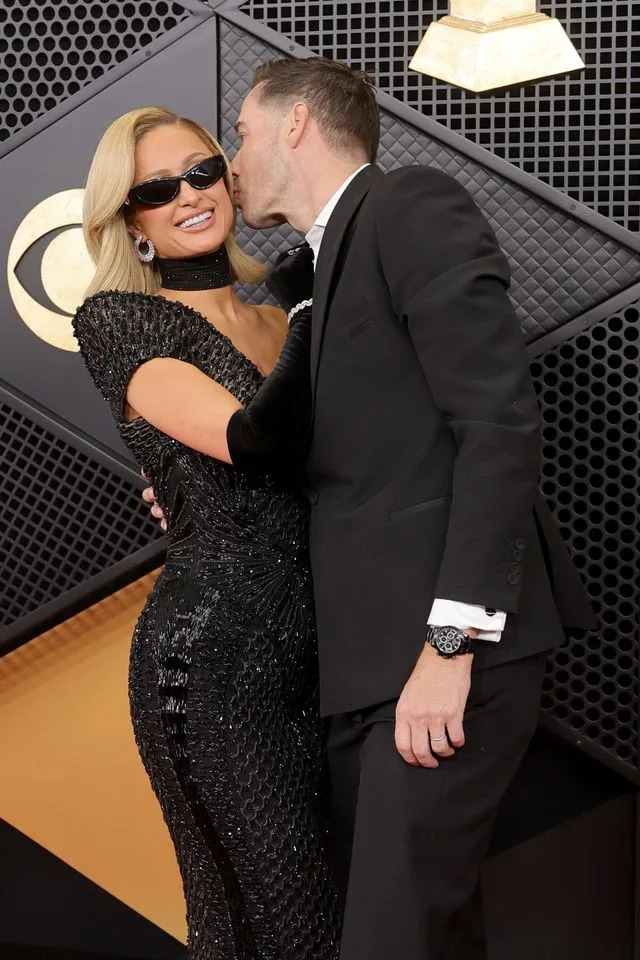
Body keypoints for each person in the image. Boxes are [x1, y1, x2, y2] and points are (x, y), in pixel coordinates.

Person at [229, 58, 598, 959]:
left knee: (391, 940)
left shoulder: (410, 206)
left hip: (438, 653)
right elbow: (353, 461)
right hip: (365, 667)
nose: (229, 159)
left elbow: (497, 425)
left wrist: (448, 646)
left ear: (297, 123)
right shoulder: (321, 265)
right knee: (430, 931)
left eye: (239, 132)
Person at [72, 106, 341, 959]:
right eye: (157, 188)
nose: (190, 195)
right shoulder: (120, 320)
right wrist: (309, 307)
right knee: (270, 926)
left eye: (202, 170)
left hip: (321, 654)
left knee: (326, 921)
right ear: (131, 220)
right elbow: (250, 442)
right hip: (214, 663)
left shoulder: (274, 321)